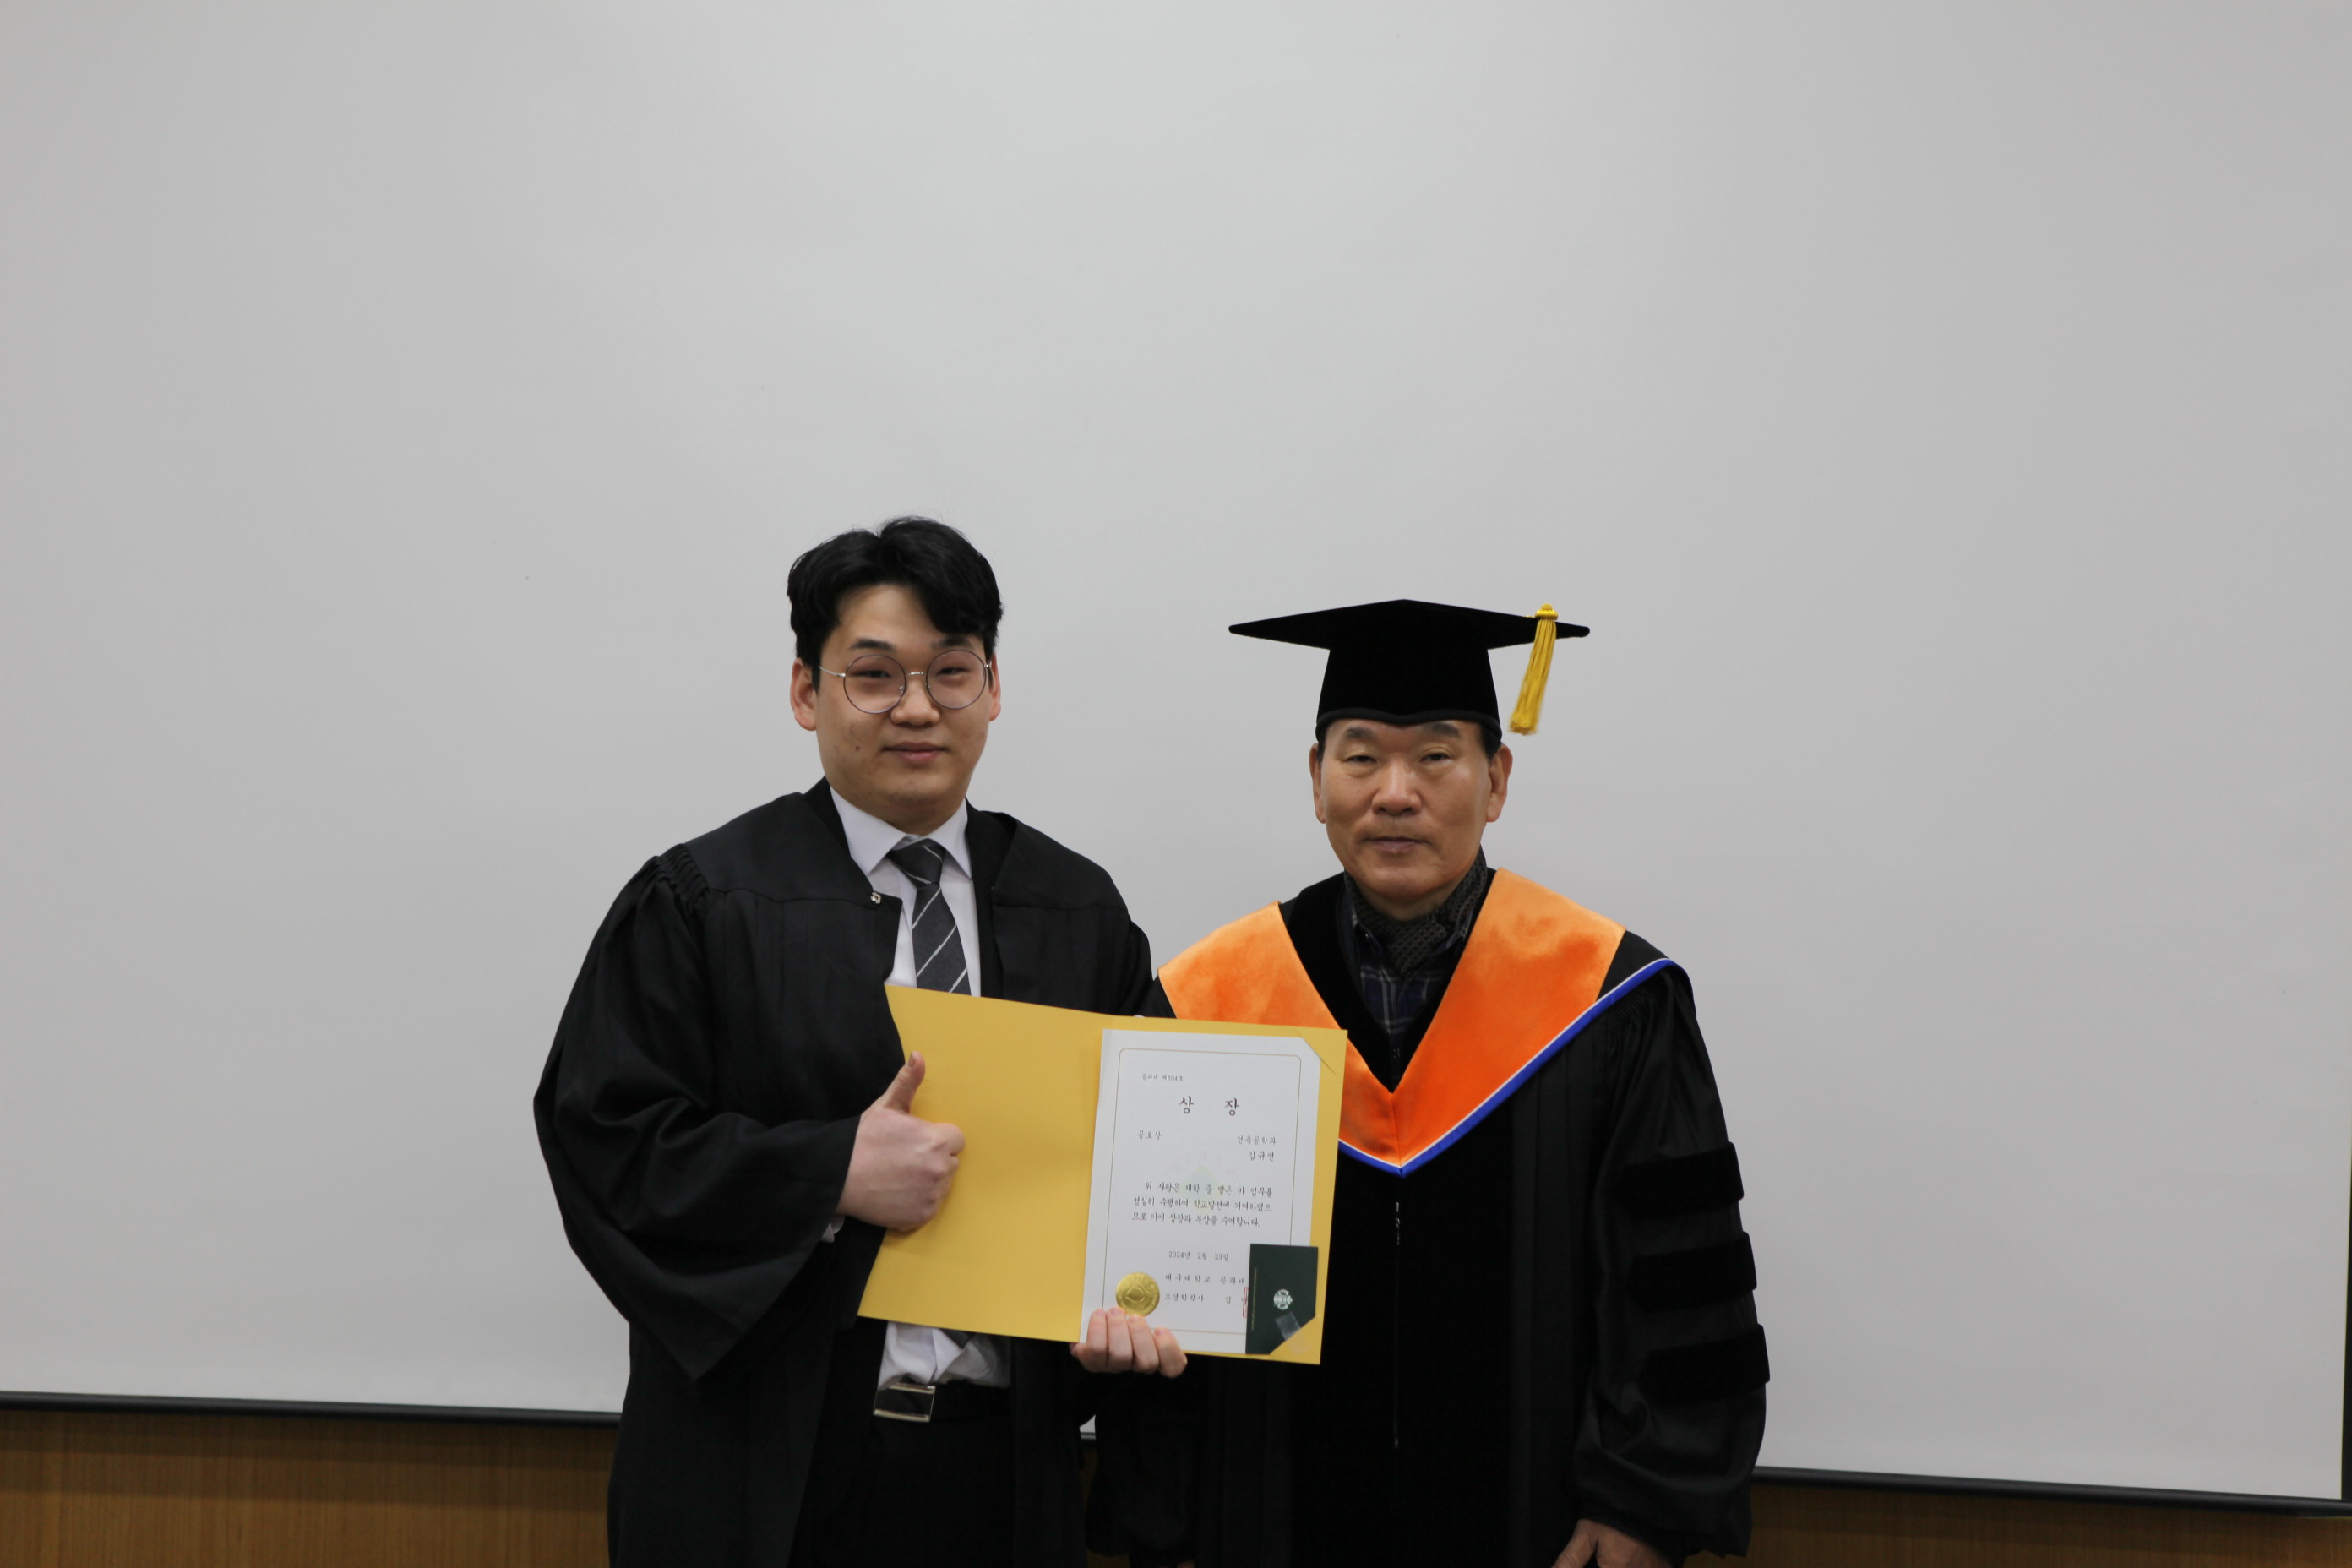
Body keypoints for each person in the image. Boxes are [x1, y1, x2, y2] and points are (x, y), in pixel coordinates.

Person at [536, 516, 1184, 1568]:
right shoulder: (703, 899)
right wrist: (830, 1169)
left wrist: (1141, 1301)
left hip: (1002, 1469)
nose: (918, 707)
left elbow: (1140, 1158)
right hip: (765, 1468)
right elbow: (608, 1142)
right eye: (874, 675)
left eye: (951, 671)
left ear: (993, 688)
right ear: (807, 691)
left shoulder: (1077, 908)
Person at [1092, 600, 1766, 1568]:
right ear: (1316, 779)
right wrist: (1171, 1524)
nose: (1395, 792)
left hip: (1539, 1526)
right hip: (1270, 1524)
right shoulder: (1211, 1001)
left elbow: (1676, 1287)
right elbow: (1165, 1307)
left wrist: (1644, 1507)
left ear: (1497, 780)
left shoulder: (1611, 998)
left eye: (1437, 756)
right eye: (1361, 756)